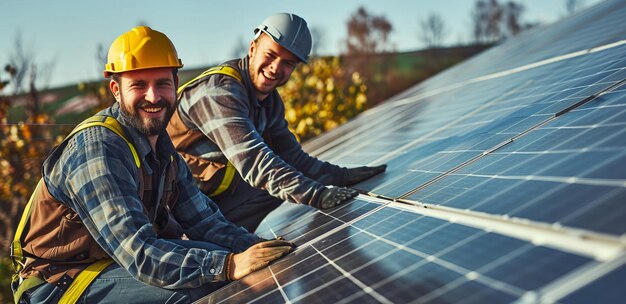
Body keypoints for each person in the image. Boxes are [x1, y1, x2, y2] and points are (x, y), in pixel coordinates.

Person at [11, 26, 294, 304]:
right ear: (116, 90)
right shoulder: (98, 150)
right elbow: (139, 253)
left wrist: (254, 247)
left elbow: (203, 220)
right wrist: (228, 266)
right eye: (138, 85)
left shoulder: (160, 146)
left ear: (175, 84)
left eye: (162, 83)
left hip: (108, 265)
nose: (153, 96)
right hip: (60, 283)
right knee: (199, 285)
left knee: (216, 256)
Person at [167, 13, 386, 233]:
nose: (275, 68)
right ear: (252, 48)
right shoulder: (219, 93)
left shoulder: (269, 102)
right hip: (173, 206)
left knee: (284, 178)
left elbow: (293, 158)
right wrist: (315, 195)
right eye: (270, 55)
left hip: (210, 197)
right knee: (276, 179)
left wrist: (341, 177)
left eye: (288, 63)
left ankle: (228, 240)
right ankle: (204, 243)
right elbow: (253, 162)